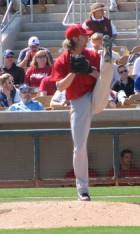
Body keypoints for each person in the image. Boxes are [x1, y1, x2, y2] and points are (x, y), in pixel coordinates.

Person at [50, 24, 114, 201]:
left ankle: (108, 57)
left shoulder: (91, 54)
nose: (86, 38)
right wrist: (74, 72)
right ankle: (83, 190)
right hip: (78, 102)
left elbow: (102, 79)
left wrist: (90, 71)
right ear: (75, 39)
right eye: (83, 36)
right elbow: (60, 86)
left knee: (106, 71)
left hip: (97, 94)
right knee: (79, 147)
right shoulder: (63, 60)